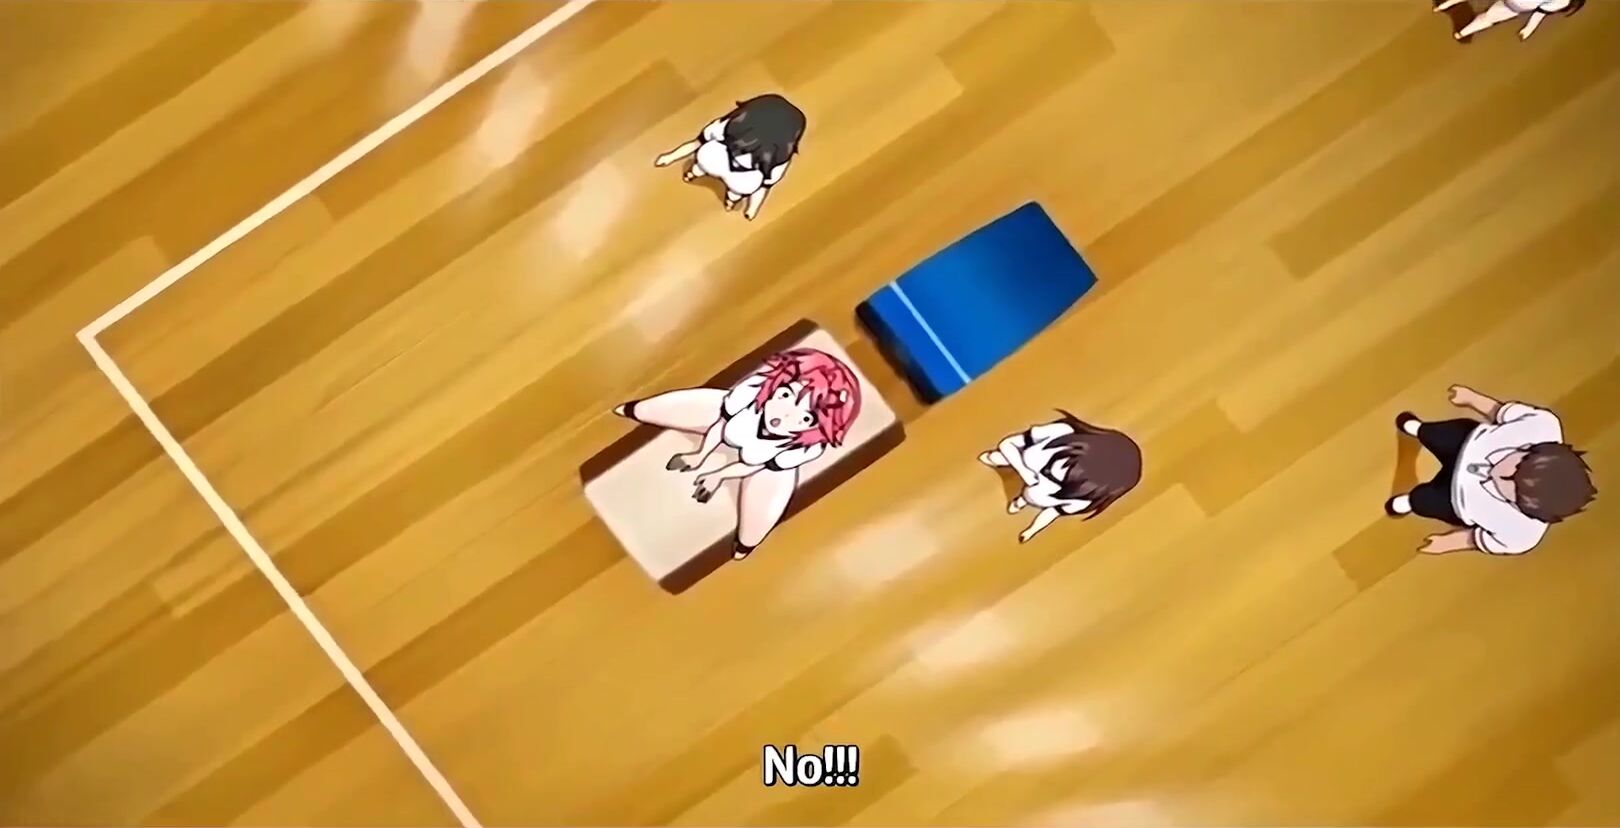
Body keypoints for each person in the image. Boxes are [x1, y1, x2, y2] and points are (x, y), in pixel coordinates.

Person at [613, 348, 861, 559]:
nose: (785, 413)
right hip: (734, 416)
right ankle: (634, 410)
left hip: (770, 462)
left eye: (806, 417)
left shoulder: (806, 448)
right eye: (785, 394)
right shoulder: (752, 390)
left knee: (759, 518)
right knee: (666, 408)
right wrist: (700, 456)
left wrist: (719, 474)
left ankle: (745, 545)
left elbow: (755, 465)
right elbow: (721, 425)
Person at [1387, 384, 1596, 555]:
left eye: (1513, 490)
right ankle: (1418, 429)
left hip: (1454, 501)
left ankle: (1410, 502)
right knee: (1436, 434)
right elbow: (1499, 411)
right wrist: (1471, 399)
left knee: (1425, 501)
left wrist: (1447, 544)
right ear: (1533, 449)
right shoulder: (1542, 425)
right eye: (1517, 465)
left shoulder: (1522, 536)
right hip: (1464, 441)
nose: (1501, 474)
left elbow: (1474, 539)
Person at [977, 411, 1143, 543]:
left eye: (1059, 485)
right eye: (1050, 470)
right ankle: (1004, 468)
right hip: (1021, 461)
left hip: (1029, 493)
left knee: (1025, 497)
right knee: (997, 457)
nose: (1045, 479)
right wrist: (1024, 471)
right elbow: (1008, 444)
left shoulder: (1082, 501)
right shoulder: (1061, 432)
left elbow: (1053, 512)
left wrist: (1032, 530)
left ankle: (1019, 502)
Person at [653, 93, 806, 221]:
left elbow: (697, 143)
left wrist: (670, 157)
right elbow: (764, 185)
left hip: (715, 159)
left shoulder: (726, 126)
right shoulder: (777, 160)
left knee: (701, 168)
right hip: (742, 179)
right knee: (735, 192)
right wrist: (753, 208)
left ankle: (693, 174)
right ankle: (730, 200)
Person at [1435, 0, 1585, 41]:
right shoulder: (1564, 1)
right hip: (1517, 5)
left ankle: (1445, 5)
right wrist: (1528, 30)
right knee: (1488, 18)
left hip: (1516, 4)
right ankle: (1461, 33)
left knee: (1488, 17)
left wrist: (1528, 29)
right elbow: (1540, 13)